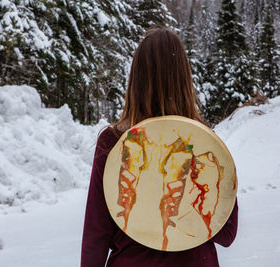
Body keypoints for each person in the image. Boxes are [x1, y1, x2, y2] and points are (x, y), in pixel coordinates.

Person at [81, 26, 238, 267]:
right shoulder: (204, 143)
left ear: (136, 78)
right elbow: (226, 234)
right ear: (184, 78)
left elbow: (97, 233)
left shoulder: (113, 141)